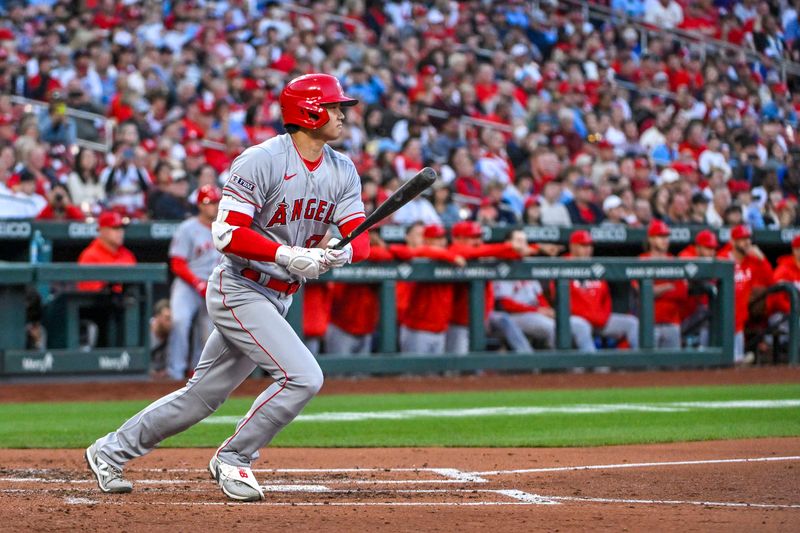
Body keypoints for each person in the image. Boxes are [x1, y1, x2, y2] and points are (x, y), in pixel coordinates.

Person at [85, 73, 370, 502]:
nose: (341, 114)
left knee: (201, 397)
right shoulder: (261, 159)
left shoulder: (342, 168)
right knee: (303, 377)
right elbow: (228, 233)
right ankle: (235, 456)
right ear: (308, 111)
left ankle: (110, 451)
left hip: (279, 295)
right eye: (332, 106)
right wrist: (287, 254)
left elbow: (359, 240)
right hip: (240, 285)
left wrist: (339, 252)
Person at [165, 185, 222, 381]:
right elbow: (177, 263)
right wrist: (197, 283)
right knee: (180, 322)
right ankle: (175, 373)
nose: (214, 207)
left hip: (213, 286)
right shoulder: (188, 228)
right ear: (199, 205)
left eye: (216, 202)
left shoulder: (224, 228)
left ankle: (198, 376)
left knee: (209, 334)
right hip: (188, 284)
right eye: (209, 203)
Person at [564, 230, 639, 350]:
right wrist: (590, 316)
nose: (588, 249)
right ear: (572, 246)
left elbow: (606, 298)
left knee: (632, 323)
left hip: (599, 319)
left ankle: (641, 366)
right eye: (583, 245)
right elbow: (561, 301)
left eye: (590, 245)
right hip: (576, 319)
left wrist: (602, 316)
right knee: (582, 327)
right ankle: (596, 367)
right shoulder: (562, 265)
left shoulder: (596, 267)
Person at [717, 225, 773, 362]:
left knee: (737, 362)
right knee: (726, 362)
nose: (747, 242)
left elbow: (771, 281)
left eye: (748, 238)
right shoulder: (723, 258)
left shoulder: (753, 261)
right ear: (732, 241)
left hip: (741, 321)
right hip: (723, 320)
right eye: (742, 239)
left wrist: (762, 259)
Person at [638, 220, 688, 348]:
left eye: (666, 236)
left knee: (674, 366)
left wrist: (656, 290)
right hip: (649, 323)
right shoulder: (642, 260)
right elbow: (642, 292)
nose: (665, 240)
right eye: (660, 236)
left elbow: (682, 292)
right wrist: (668, 286)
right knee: (648, 366)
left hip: (672, 322)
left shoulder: (674, 261)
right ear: (651, 239)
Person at [76, 211, 137, 292]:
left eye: (121, 228)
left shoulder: (128, 255)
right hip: (100, 303)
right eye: (115, 228)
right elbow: (89, 293)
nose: (120, 232)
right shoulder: (90, 256)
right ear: (102, 230)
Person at [678, 229, 719, 347]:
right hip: (682, 317)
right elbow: (691, 269)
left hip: (696, 315)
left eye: (713, 249)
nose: (712, 252)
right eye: (708, 248)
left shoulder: (712, 261)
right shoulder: (686, 254)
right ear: (698, 247)